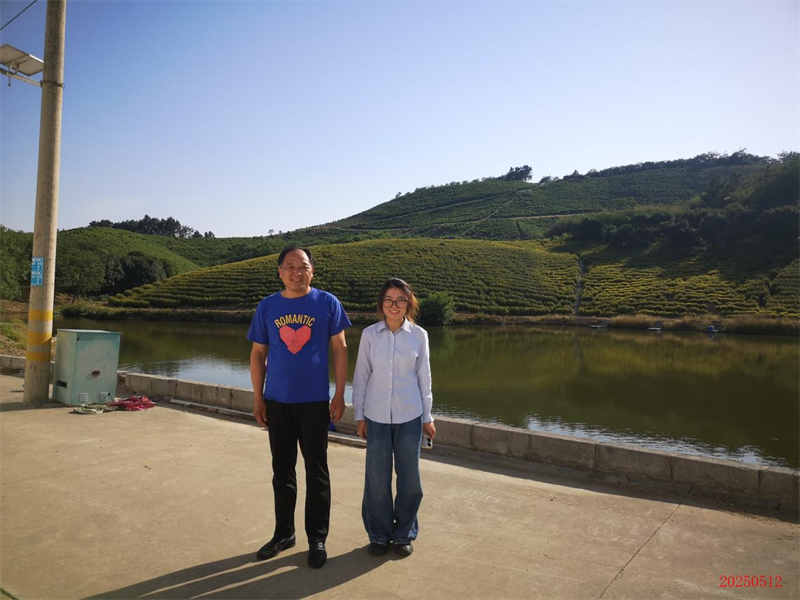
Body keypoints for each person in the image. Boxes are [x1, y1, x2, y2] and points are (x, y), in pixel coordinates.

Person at [248, 246, 350, 569]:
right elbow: (257, 354)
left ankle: (317, 538)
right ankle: (284, 533)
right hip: (277, 401)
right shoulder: (268, 306)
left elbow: (340, 349)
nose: (297, 272)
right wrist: (258, 397)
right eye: (290, 266)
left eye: (303, 266)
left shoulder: (327, 303)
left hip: (314, 402)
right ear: (280, 272)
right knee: (282, 471)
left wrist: (339, 394)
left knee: (317, 471)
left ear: (312, 271)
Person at [352, 277, 436, 557]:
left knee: (410, 479)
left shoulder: (419, 335)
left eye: (400, 300)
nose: (394, 305)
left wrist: (427, 416)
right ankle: (378, 534)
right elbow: (361, 377)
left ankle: (403, 534)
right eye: (388, 300)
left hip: (409, 415)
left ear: (408, 304)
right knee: (376, 479)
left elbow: (424, 378)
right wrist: (360, 415)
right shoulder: (370, 335)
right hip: (376, 416)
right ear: (381, 304)